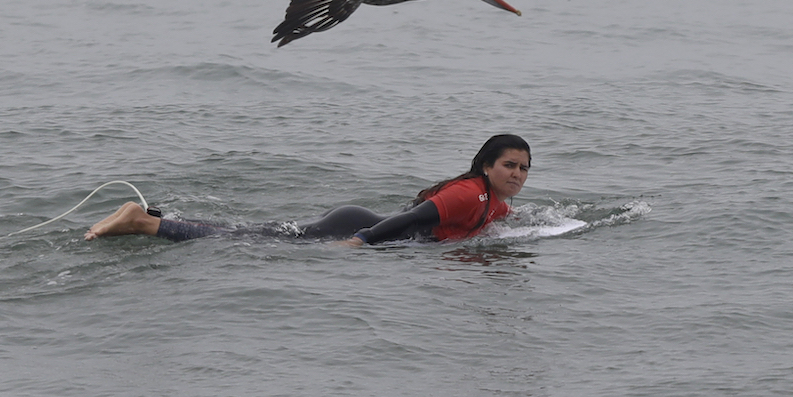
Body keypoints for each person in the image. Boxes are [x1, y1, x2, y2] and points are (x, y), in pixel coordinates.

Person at [84, 134, 530, 246]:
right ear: (486, 166)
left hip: (360, 225)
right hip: (353, 227)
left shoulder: (495, 203)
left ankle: (149, 218)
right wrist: (359, 241)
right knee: (245, 240)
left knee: (248, 233)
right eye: (508, 165)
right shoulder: (469, 193)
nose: (516, 174)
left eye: (524, 169)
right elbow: (412, 219)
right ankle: (142, 223)